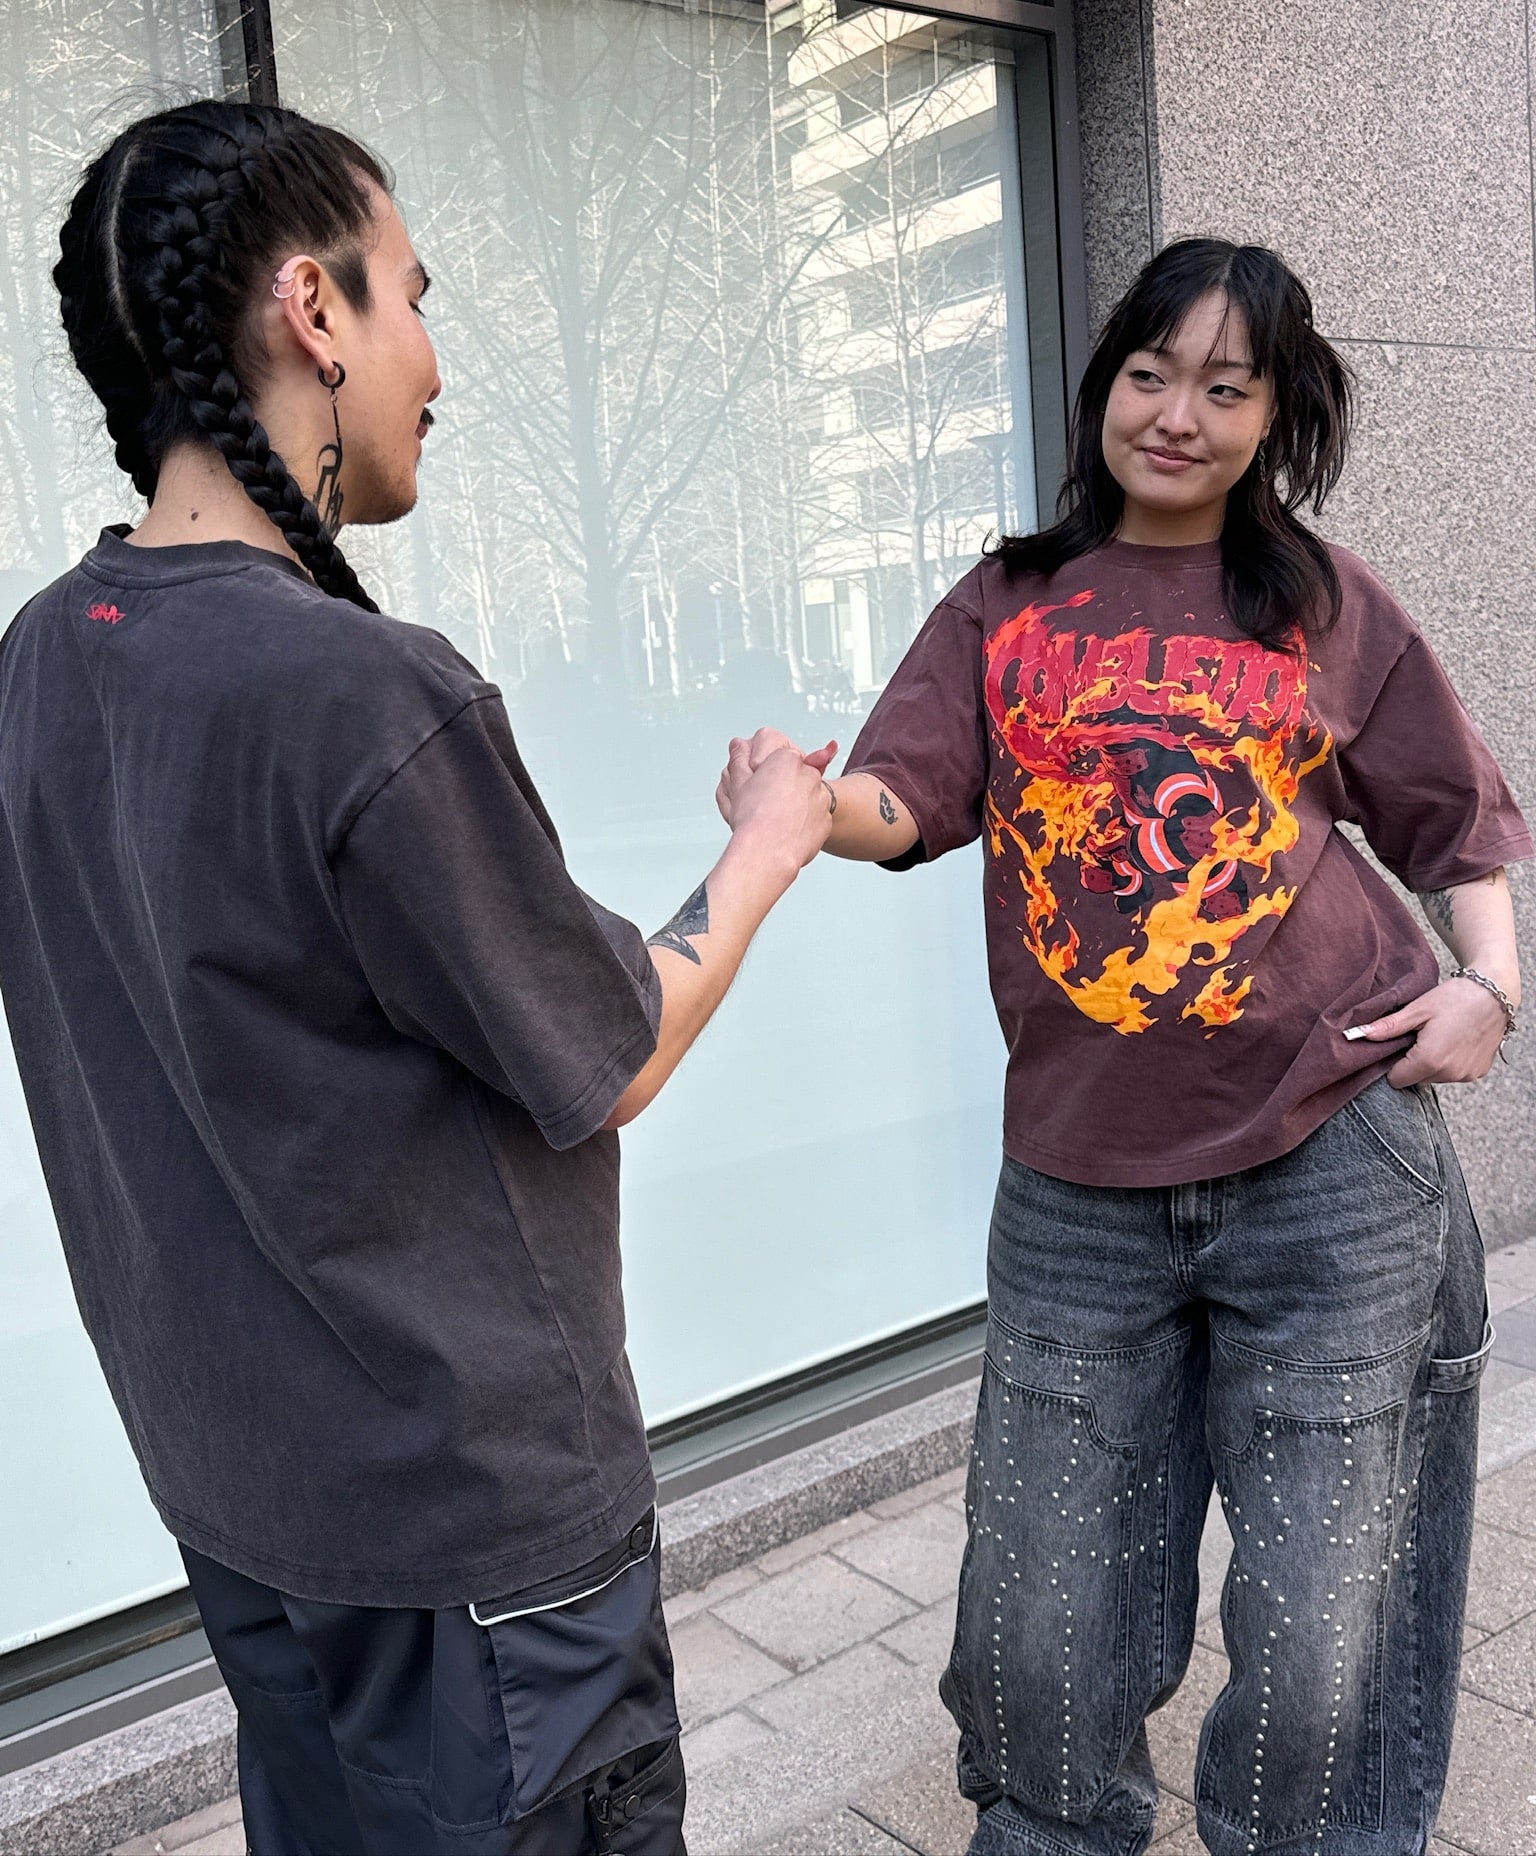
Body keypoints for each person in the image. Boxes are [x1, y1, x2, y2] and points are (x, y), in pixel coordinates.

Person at [0, 98, 836, 1855]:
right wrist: (770, 842)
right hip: (473, 1543)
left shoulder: (40, 660)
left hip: (240, 1494)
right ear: (315, 309)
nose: (434, 364)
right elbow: (609, 1054)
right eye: (417, 296)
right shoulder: (362, 694)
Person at [721, 240, 1529, 1854]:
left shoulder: (1323, 605)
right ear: (1105, 388)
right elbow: (909, 795)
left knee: (1320, 1625)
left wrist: (1490, 989)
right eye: (1151, 376)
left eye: (1225, 388)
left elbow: (1453, 814)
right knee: (1040, 1618)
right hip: (1078, 1185)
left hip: (1331, 1158)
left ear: (1275, 414)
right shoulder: (1009, 600)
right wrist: (804, 812)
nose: (1177, 415)